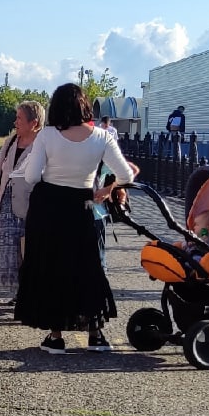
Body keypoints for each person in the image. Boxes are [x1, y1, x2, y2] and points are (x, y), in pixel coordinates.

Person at [14, 83, 139, 354]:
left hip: (48, 208)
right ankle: (96, 335)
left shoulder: (47, 135)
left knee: (50, 269)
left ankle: (56, 336)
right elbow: (126, 175)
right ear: (84, 106)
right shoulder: (102, 137)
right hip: (81, 205)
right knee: (86, 267)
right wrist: (107, 189)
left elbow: (32, 177)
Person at [0, 100, 44, 297]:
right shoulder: (10, 142)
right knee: (6, 251)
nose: (15, 122)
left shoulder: (43, 145)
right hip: (6, 203)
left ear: (33, 123)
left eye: (19, 118)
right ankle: (17, 293)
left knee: (26, 250)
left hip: (30, 205)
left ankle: (28, 292)